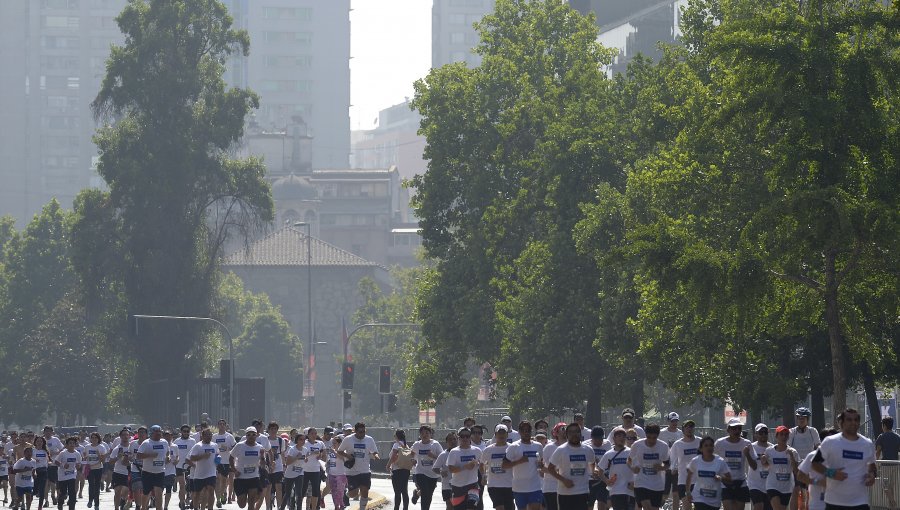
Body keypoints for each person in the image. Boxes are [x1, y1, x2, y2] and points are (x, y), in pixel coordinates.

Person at [811, 408, 877, 510]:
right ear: (841, 422)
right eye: (849, 420)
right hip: (834, 502)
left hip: (860, 502)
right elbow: (815, 464)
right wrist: (831, 473)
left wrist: (872, 476)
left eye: (856, 420)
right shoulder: (830, 441)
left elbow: (872, 466)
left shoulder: (867, 444)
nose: (853, 422)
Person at [547, 423, 596, 510]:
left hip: (583, 492)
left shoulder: (588, 450)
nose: (574, 434)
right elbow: (550, 468)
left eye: (577, 432)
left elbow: (592, 464)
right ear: (567, 435)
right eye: (571, 432)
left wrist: (594, 472)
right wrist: (564, 480)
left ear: (580, 433)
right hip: (565, 493)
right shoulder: (561, 450)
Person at [336, 423, 379, 510]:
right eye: (360, 432)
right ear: (355, 431)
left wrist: (376, 455)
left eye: (364, 431)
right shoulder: (348, 439)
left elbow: (374, 451)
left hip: (365, 470)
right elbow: (339, 451)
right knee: (353, 494)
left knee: (365, 491)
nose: (362, 434)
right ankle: (347, 494)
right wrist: (348, 456)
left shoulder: (369, 439)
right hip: (352, 471)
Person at [502, 421, 543, 510]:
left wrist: (541, 465)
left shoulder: (538, 446)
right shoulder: (514, 446)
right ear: (519, 432)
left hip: (535, 486)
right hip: (519, 487)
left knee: (534, 508)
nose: (526, 432)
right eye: (523, 430)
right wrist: (518, 461)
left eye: (528, 430)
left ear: (531, 431)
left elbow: (542, 464)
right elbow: (504, 465)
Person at [627, 424, 669, 510]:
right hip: (641, 482)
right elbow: (628, 460)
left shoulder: (663, 446)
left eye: (654, 437)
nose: (651, 440)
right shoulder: (637, 445)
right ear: (645, 435)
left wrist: (661, 468)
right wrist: (632, 468)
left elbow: (667, 464)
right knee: (647, 508)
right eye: (649, 437)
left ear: (658, 436)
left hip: (657, 484)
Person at [714, 418, 753, 510]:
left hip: (741, 481)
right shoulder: (720, 443)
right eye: (734, 428)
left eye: (739, 428)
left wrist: (747, 454)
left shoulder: (746, 443)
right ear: (728, 430)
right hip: (725, 482)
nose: (737, 431)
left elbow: (754, 465)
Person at [684, 436, 731, 510]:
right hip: (699, 497)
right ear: (701, 449)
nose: (709, 447)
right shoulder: (695, 461)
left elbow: (730, 479)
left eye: (711, 445)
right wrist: (688, 492)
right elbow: (689, 476)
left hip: (714, 500)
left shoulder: (720, 461)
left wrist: (721, 478)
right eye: (706, 445)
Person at [797, 427, 837, 510]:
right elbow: (800, 476)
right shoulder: (812, 456)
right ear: (822, 441)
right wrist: (817, 482)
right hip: (818, 504)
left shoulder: (841, 458)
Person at [788, 408, 820, 510]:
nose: (801, 420)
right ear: (797, 419)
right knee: (795, 490)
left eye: (804, 418)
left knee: (810, 491)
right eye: (799, 418)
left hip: (809, 465)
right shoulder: (792, 432)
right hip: (795, 465)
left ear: (807, 420)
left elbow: (818, 446)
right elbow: (787, 447)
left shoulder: (812, 431)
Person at [229, 426, 267, 510]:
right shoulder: (239, 445)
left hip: (253, 477)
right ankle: (244, 497)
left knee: (252, 501)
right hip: (241, 478)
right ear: (246, 436)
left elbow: (262, 464)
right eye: (249, 434)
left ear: (256, 435)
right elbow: (231, 457)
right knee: (242, 505)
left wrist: (262, 456)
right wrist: (234, 470)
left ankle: (250, 499)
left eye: (253, 434)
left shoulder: (260, 447)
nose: (251, 436)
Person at [764, 426, 800, 510]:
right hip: (772, 485)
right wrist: (764, 461)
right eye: (781, 434)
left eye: (786, 434)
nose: (784, 437)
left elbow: (796, 471)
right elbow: (766, 467)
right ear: (776, 436)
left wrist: (791, 456)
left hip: (787, 487)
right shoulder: (769, 451)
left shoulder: (793, 451)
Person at [598, 428, 634, 510]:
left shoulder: (631, 452)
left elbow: (639, 469)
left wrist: (635, 482)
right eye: (619, 436)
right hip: (616, 491)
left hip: (630, 490)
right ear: (614, 439)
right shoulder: (608, 454)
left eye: (624, 436)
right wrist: (607, 481)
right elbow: (600, 472)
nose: (621, 438)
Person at [447, 428, 482, 510]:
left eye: (467, 436)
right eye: (462, 436)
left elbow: (483, 465)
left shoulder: (477, 451)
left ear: (470, 438)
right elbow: (451, 469)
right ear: (459, 438)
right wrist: (465, 467)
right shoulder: (454, 452)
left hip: (473, 484)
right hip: (458, 486)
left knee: (471, 506)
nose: (465, 438)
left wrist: (479, 466)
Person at [668, 419, 699, 510]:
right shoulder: (677, 444)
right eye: (687, 427)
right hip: (683, 481)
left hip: (699, 480)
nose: (689, 429)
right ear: (683, 429)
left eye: (691, 427)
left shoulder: (700, 442)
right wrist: (673, 469)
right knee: (687, 506)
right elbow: (672, 460)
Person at [481, 425, 513, 510]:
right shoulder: (488, 450)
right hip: (494, 485)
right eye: (499, 433)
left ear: (507, 435)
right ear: (495, 435)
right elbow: (482, 464)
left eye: (503, 433)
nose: (501, 435)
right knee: (500, 508)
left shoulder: (512, 448)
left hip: (510, 485)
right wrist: (484, 476)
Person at [411, 426, 443, 510]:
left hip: (433, 474)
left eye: (427, 433)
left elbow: (442, 457)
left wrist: (433, 456)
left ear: (430, 434)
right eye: (422, 433)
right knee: (425, 492)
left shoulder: (435, 444)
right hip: (420, 472)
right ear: (420, 435)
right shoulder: (417, 444)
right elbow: (412, 452)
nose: (424, 435)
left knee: (429, 494)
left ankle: (417, 494)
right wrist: (412, 459)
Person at [188, 428, 219, 510]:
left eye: (210, 435)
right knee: (197, 494)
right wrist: (203, 456)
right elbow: (192, 458)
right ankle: (195, 508)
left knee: (211, 491)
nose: (209, 436)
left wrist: (218, 459)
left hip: (211, 473)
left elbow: (217, 455)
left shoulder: (214, 445)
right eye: (207, 435)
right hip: (199, 474)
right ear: (203, 436)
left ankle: (210, 508)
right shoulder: (198, 446)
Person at [538, 424, 566, 510]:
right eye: (562, 429)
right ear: (556, 433)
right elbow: (541, 468)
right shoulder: (549, 447)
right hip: (551, 488)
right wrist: (555, 471)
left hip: (567, 488)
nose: (565, 431)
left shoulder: (572, 447)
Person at [747, 423, 773, 510]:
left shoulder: (772, 448)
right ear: (756, 435)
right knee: (759, 506)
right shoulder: (751, 447)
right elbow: (752, 465)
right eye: (760, 433)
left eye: (765, 432)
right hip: (755, 484)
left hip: (769, 484)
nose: (763, 435)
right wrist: (747, 454)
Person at [584, 426, 610, 510]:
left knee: (602, 503)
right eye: (596, 439)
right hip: (590, 479)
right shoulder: (585, 445)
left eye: (601, 439)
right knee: (590, 504)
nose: (599, 441)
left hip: (603, 479)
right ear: (592, 438)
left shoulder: (607, 444)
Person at [658, 413, 680, 510]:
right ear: (668, 421)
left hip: (677, 466)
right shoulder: (662, 433)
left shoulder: (681, 433)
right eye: (672, 421)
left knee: (676, 493)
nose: (674, 423)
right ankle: (658, 506)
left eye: (676, 421)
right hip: (665, 465)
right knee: (665, 493)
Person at [212, 420, 236, 508]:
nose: (221, 426)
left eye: (223, 424)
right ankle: (218, 500)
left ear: (226, 426)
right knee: (217, 480)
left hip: (226, 461)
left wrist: (228, 448)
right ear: (217, 426)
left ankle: (222, 495)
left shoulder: (229, 436)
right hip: (216, 461)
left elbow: (235, 448)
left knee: (223, 481)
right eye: (220, 424)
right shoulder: (214, 436)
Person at [54, 437, 81, 510]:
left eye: (73, 443)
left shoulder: (77, 454)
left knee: (72, 493)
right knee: (63, 493)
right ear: (66, 445)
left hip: (72, 475)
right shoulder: (63, 453)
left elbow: (79, 464)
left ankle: (72, 507)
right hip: (62, 476)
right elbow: (56, 462)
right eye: (70, 443)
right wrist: (63, 465)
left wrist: (78, 466)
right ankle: (60, 504)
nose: (72, 445)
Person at [281, 433, 307, 510]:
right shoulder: (292, 449)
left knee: (299, 493)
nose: (302, 441)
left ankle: (299, 508)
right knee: (288, 493)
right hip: (290, 474)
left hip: (300, 473)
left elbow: (305, 457)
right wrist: (296, 457)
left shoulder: (305, 449)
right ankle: (282, 508)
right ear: (297, 440)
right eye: (300, 439)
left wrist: (305, 459)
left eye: (304, 439)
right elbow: (287, 462)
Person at [388, 430, 412, 510]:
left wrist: (388, 465)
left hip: (397, 470)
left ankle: (396, 508)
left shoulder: (396, 444)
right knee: (404, 491)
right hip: (405, 470)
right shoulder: (406, 445)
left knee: (397, 492)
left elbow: (393, 456)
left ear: (396, 436)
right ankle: (405, 508)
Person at [174, 425, 197, 510]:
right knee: (182, 485)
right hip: (180, 466)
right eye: (184, 431)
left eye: (188, 431)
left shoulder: (193, 441)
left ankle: (190, 499)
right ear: (181, 432)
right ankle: (182, 502)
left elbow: (195, 453)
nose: (186, 433)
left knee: (191, 486)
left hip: (190, 466)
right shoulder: (177, 441)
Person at [432, 433, 457, 510]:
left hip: (459, 485)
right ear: (446, 442)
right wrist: (441, 472)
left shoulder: (461, 453)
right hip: (447, 485)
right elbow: (435, 468)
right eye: (450, 440)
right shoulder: (443, 455)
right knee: (449, 505)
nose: (452, 441)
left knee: (458, 506)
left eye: (454, 439)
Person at [107, 429, 132, 510]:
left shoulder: (131, 447)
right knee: (117, 492)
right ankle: (116, 508)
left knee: (126, 491)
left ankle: (123, 500)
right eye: (123, 435)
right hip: (118, 472)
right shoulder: (117, 448)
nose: (125, 436)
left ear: (129, 436)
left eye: (127, 435)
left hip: (128, 472)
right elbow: (110, 462)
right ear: (120, 437)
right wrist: (118, 457)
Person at [84, 433, 107, 510]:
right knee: (91, 485)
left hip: (98, 468)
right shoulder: (87, 447)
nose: (94, 439)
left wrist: (98, 455)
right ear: (90, 439)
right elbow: (84, 457)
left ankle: (96, 504)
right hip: (90, 469)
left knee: (97, 487)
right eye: (92, 437)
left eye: (95, 438)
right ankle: (90, 500)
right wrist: (85, 457)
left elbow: (103, 461)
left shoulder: (101, 447)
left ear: (98, 439)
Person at [325, 436, 346, 510]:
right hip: (331, 474)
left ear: (340, 443)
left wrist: (335, 452)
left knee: (340, 491)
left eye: (335, 443)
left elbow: (343, 458)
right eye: (332, 443)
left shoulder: (343, 451)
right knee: (333, 491)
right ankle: (336, 506)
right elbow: (328, 461)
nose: (333, 444)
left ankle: (342, 505)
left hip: (341, 474)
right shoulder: (331, 451)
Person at [31, 437, 49, 510]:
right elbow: (28, 459)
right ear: (35, 442)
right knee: (33, 491)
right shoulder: (32, 451)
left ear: (43, 443)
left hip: (43, 471)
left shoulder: (45, 451)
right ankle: (29, 503)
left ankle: (40, 507)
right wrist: (34, 460)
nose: (39, 442)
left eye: (41, 441)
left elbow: (48, 461)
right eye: (38, 441)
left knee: (42, 490)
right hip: (34, 471)